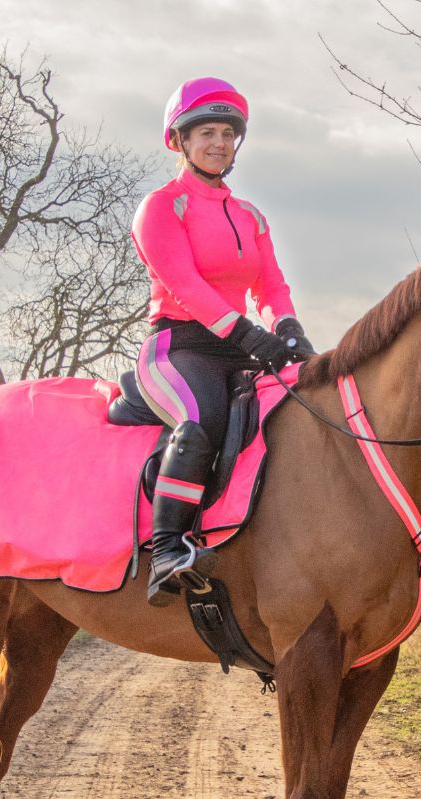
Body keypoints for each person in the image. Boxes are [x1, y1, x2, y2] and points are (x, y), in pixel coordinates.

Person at [132, 76, 316, 607]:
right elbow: (186, 287)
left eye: (228, 133)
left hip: (241, 349)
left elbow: (272, 284)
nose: (218, 143)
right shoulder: (163, 207)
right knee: (202, 420)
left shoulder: (249, 215)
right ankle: (167, 549)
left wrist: (288, 327)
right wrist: (248, 333)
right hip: (178, 349)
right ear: (181, 142)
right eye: (206, 132)